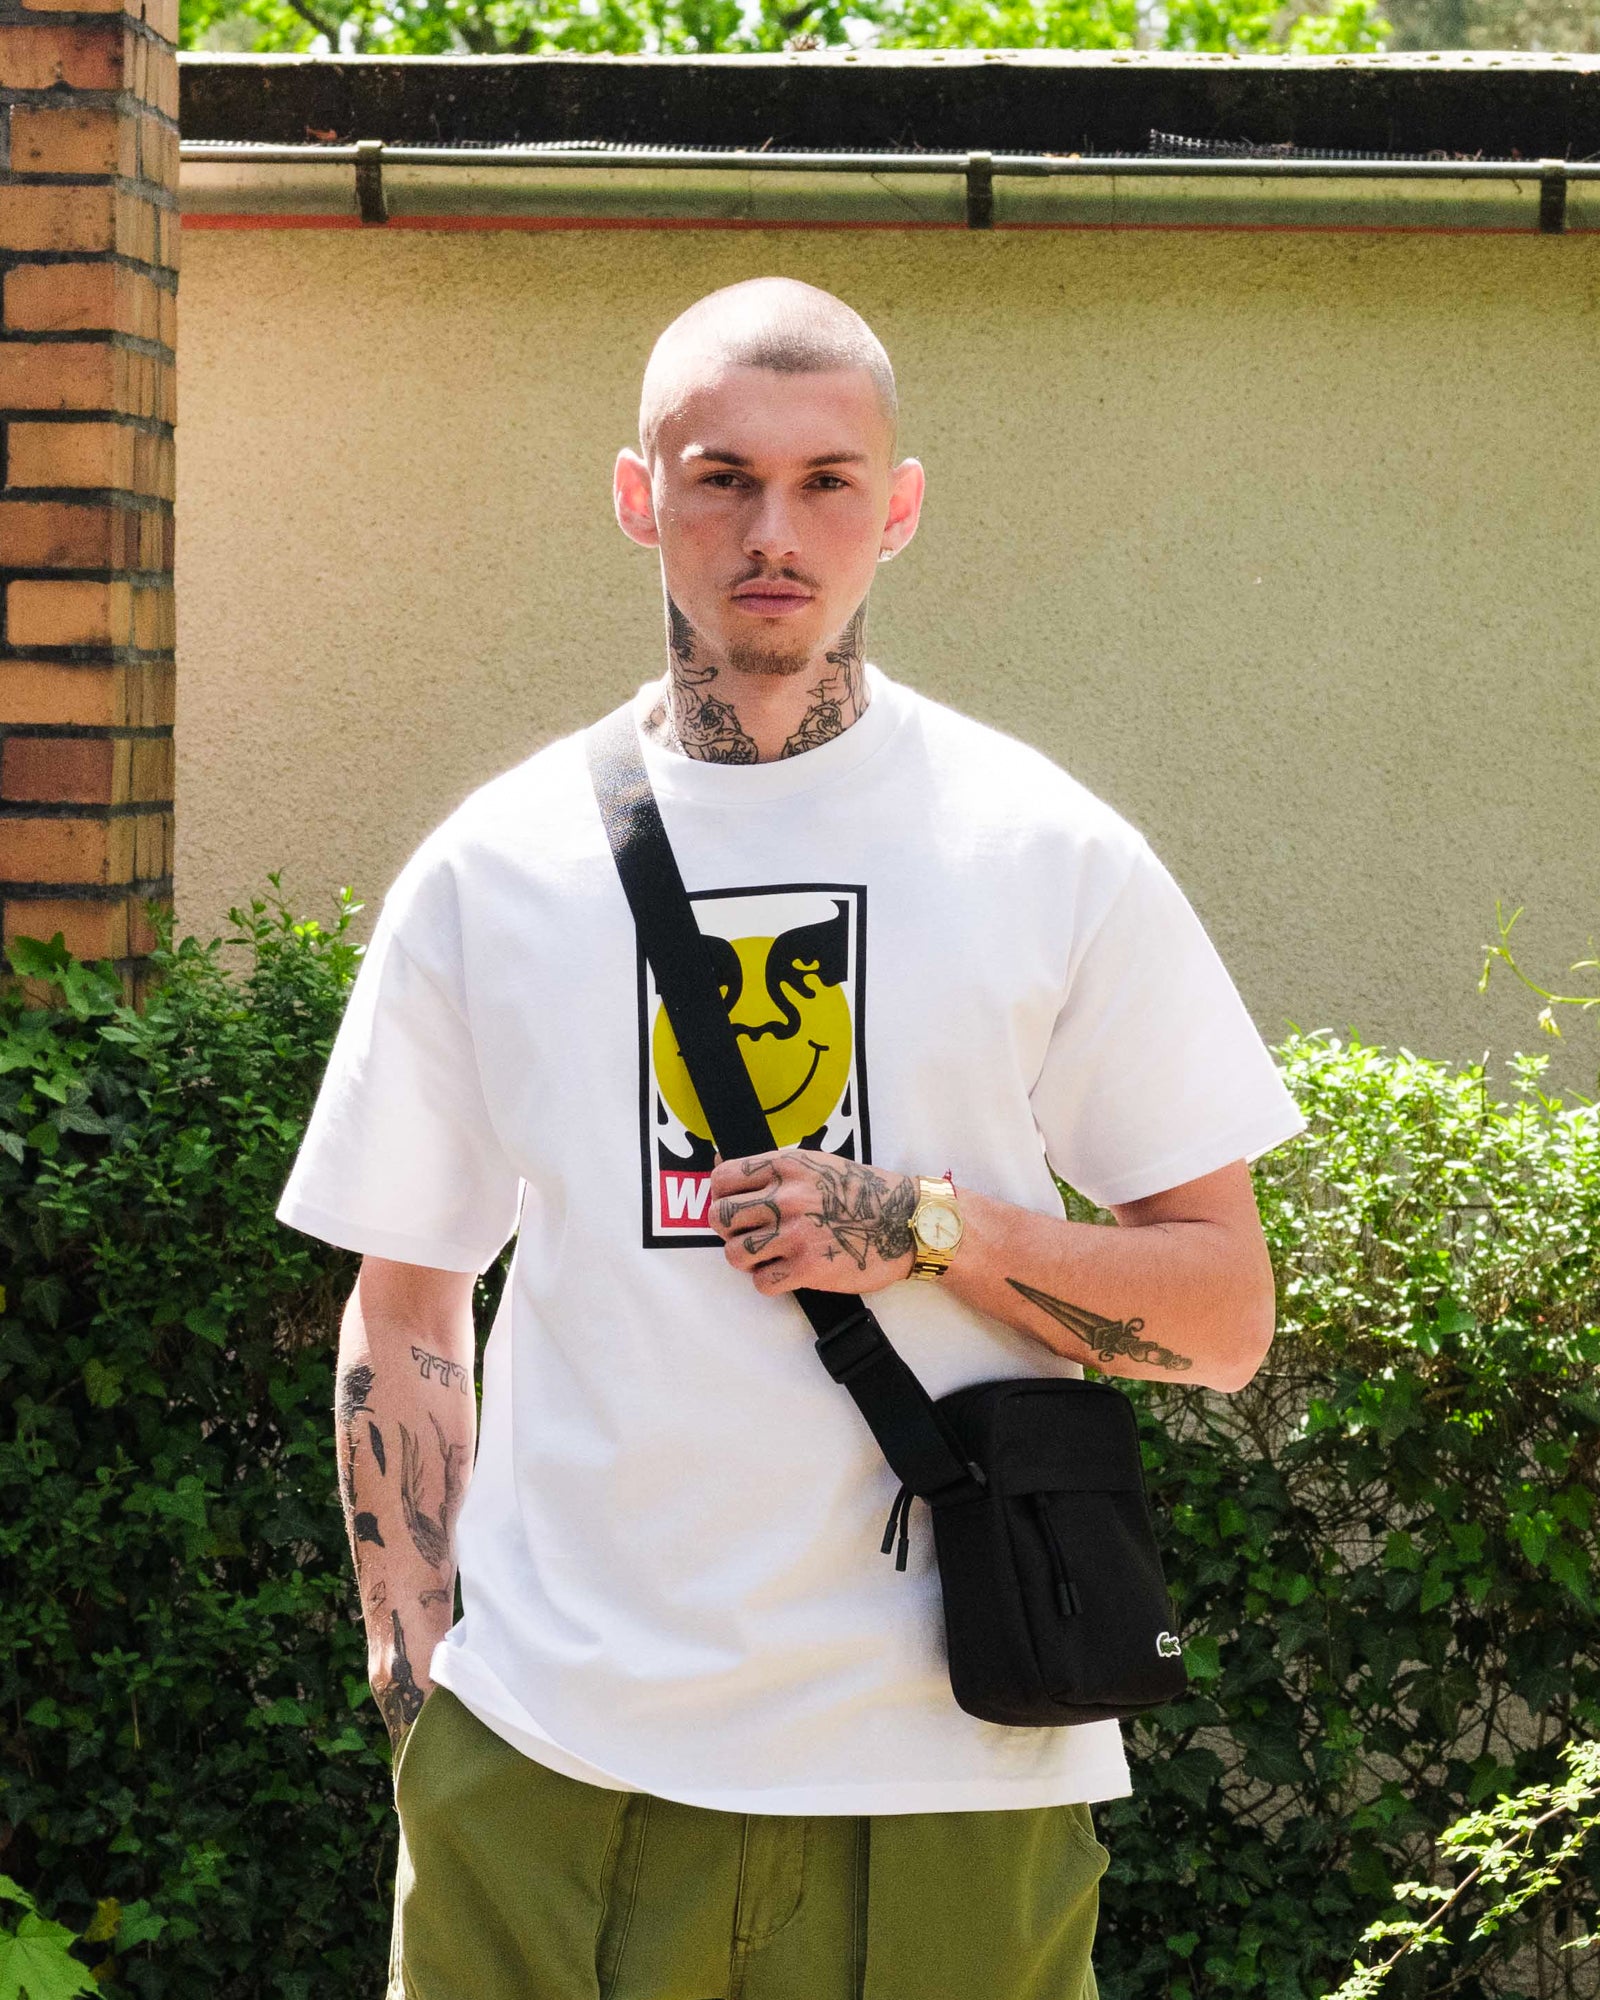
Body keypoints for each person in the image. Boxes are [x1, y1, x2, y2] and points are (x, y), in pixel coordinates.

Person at [276, 276, 1305, 2000]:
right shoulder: (493, 867)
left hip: (953, 1771)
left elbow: (1224, 1320)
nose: (774, 531)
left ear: (896, 510)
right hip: (555, 1758)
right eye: (722, 478)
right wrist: (419, 1685)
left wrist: (921, 1225)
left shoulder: (1044, 849)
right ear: (639, 497)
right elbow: (407, 1298)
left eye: (828, 481)